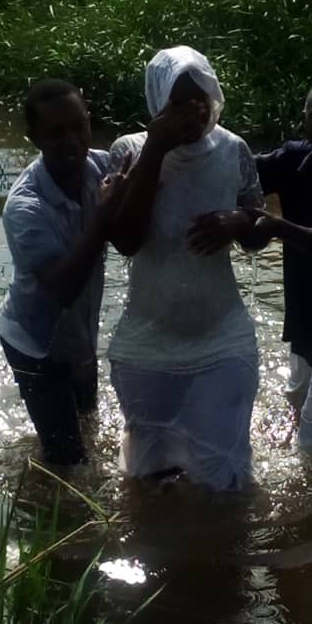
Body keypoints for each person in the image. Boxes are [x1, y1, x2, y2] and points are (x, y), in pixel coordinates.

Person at [191, 80, 312, 448]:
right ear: (306, 120)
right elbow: (240, 171)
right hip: (305, 314)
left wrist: (275, 226)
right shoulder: (295, 159)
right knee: (297, 409)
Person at [106, 46, 264, 491]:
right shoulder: (130, 151)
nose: (194, 112)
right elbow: (126, 241)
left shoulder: (233, 149)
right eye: (179, 103)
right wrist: (156, 148)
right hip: (146, 344)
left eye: (201, 99)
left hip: (223, 338)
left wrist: (239, 222)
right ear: (158, 104)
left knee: (228, 481)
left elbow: (258, 235)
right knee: (147, 481)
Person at [0, 78, 128, 466]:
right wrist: (105, 213)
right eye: (56, 133)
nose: (71, 141)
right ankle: (44, 493)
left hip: (80, 337)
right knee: (66, 459)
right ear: (34, 138)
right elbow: (64, 288)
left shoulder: (101, 167)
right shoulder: (25, 207)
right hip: (35, 347)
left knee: (88, 425)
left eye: (78, 127)